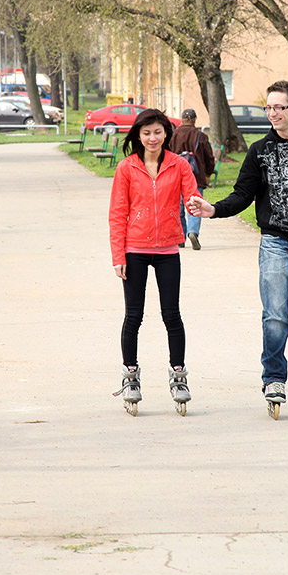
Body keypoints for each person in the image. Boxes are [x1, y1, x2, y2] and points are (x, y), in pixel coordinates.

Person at [187, 81, 288, 416]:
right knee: (276, 316)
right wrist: (214, 209)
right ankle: (274, 378)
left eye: (278, 107)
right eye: (269, 108)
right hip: (274, 242)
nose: (272, 114)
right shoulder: (260, 150)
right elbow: (243, 193)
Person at [109, 108, 200, 415]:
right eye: (146, 133)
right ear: (137, 135)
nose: (152, 138)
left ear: (166, 134)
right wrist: (117, 255)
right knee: (133, 316)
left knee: (171, 315)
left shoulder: (179, 165)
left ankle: (178, 376)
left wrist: (195, 203)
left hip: (167, 251)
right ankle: (131, 377)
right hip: (134, 249)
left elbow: (191, 194)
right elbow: (117, 213)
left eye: (158, 132)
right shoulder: (126, 168)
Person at [171, 108, 216, 250]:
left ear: (182, 119)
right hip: (196, 177)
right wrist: (208, 173)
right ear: (195, 119)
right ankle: (193, 232)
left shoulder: (173, 135)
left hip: (176, 176)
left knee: (178, 207)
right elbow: (209, 157)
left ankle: (180, 237)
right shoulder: (200, 136)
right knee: (195, 206)